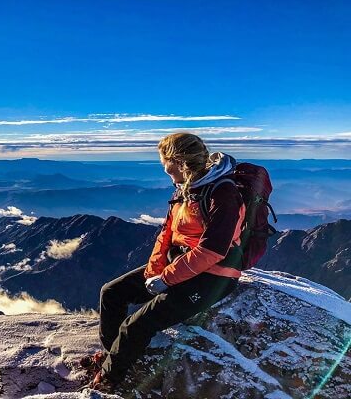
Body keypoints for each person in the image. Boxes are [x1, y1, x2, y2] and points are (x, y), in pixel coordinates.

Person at [83, 132, 245, 392]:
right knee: (111, 293)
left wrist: (167, 279)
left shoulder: (222, 192)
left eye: (165, 163)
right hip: (179, 264)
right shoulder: (187, 189)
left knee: (137, 325)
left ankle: (109, 382)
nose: (164, 169)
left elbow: (213, 249)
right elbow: (167, 234)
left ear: (178, 161)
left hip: (213, 275)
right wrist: (154, 271)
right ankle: (115, 358)